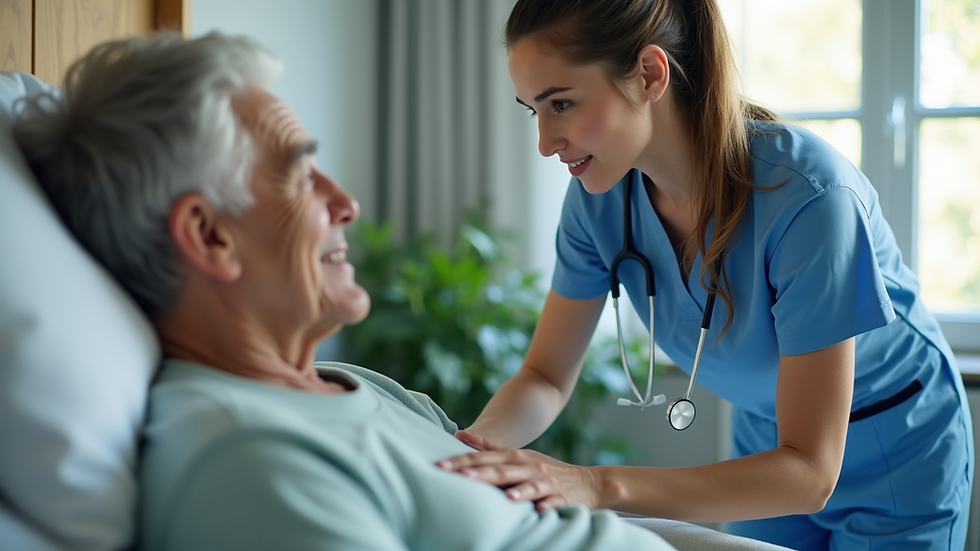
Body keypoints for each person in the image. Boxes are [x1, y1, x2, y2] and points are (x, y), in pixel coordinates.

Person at [12, 30, 794, 551]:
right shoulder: (252, 458)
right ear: (209, 235)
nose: (345, 201)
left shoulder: (354, 388)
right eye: (296, 169)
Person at [436, 1, 975, 550]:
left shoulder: (810, 200)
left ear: (650, 73)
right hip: (770, 443)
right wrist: (476, 450)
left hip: (896, 444)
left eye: (563, 105)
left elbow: (811, 471)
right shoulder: (597, 202)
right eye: (535, 111)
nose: (546, 142)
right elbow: (546, 375)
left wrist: (596, 485)